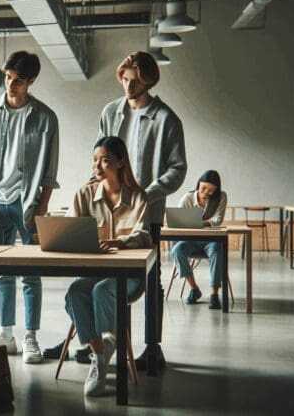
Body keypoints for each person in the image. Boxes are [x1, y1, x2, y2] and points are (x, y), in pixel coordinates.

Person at [0, 50, 60, 363]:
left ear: (31, 81)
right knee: (0, 273)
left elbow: (49, 172)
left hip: (28, 204)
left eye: (19, 80)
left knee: (31, 273)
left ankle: (30, 336)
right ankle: (5, 334)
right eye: (8, 78)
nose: (11, 84)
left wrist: (42, 209)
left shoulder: (46, 118)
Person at [97, 51, 187, 369]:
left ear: (148, 81)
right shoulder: (111, 113)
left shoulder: (166, 120)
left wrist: (146, 194)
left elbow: (177, 169)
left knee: (150, 279)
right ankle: (103, 342)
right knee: (105, 275)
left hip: (147, 215)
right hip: (111, 212)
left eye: (135, 81)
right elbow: (99, 157)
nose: (129, 86)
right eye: (124, 79)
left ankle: (152, 347)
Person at [63, 136, 152, 396]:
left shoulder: (138, 196)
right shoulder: (84, 194)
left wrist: (120, 242)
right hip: (95, 272)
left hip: (130, 276)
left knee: (103, 290)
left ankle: (103, 353)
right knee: (76, 292)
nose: (97, 166)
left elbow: (144, 234)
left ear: (120, 162)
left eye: (105, 160)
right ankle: (100, 355)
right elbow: (69, 231)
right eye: (94, 160)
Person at [171, 170, 227, 309]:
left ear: (216, 190)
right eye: (203, 188)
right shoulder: (187, 198)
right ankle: (194, 289)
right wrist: (199, 223)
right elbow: (178, 220)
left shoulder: (221, 197)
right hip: (190, 240)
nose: (206, 192)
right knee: (177, 251)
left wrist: (197, 222)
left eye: (211, 190)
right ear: (198, 185)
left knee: (217, 250)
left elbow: (218, 220)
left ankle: (214, 294)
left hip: (211, 240)